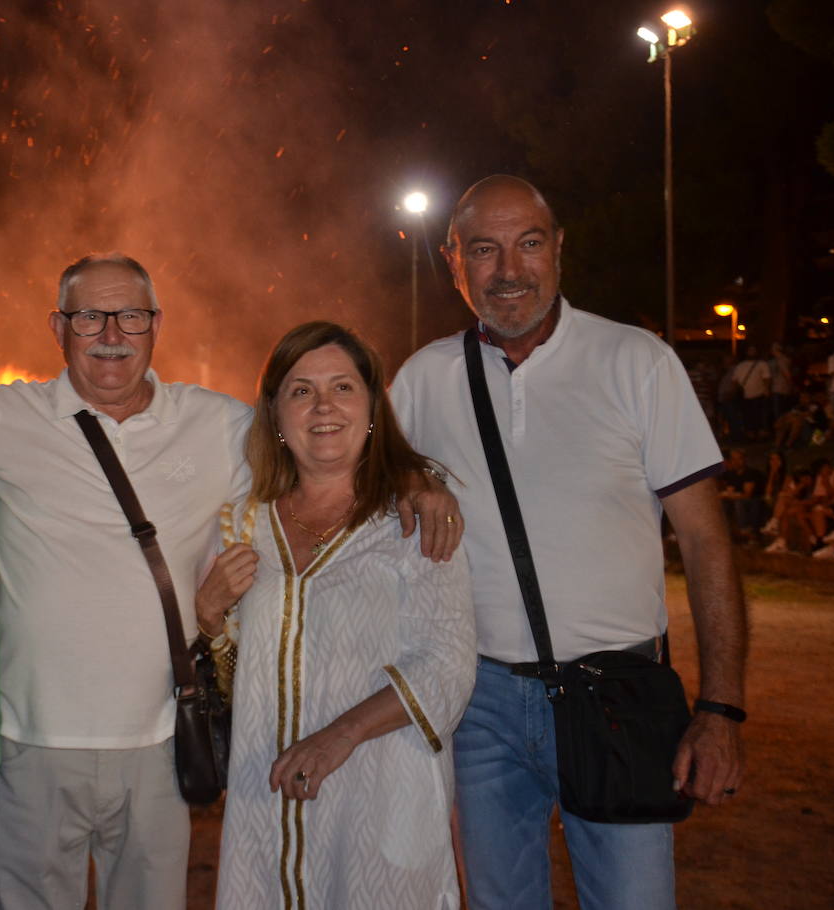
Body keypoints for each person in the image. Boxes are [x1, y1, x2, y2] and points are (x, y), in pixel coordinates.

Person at [0, 253, 463, 910]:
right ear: (59, 327)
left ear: (156, 327)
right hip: (33, 739)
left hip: (161, 738)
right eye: (89, 315)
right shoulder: (4, 417)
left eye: (132, 316)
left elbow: (318, 444)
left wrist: (410, 476)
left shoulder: (215, 425)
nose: (111, 333)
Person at [389, 175, 747, 910]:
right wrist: (407, 484)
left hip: (617, 696)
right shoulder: (424, 381)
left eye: (528, 244)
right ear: (452, 261)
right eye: (484, 250)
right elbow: (365, 511)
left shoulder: (636, 362)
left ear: (559, 250)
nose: (509, 270)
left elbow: (708, 546)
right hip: (479, 701)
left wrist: (720, 711)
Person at [200, 322, 475, 908]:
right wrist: (208, 615)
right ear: (274, 414)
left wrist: (338, 737)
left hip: (381, 797)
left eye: (342, 388)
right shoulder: (241, 523)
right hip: (265, 801)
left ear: (373, 405)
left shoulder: (413, 516)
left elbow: (448, 665)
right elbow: (226, 679)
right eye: (300, 390)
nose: (323, 405)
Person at [730, 345, 771, 442]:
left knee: (759, 416)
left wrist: (766, 390)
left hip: (759, 394)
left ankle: (760, 435)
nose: (751, 352)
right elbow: (734, 380)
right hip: (744, 396)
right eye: (750, 350)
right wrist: (734, 392)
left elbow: (767, 378)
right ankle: (750, 436)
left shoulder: (762, 364)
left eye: (753, 350)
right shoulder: (740, 366)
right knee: (747, 417)